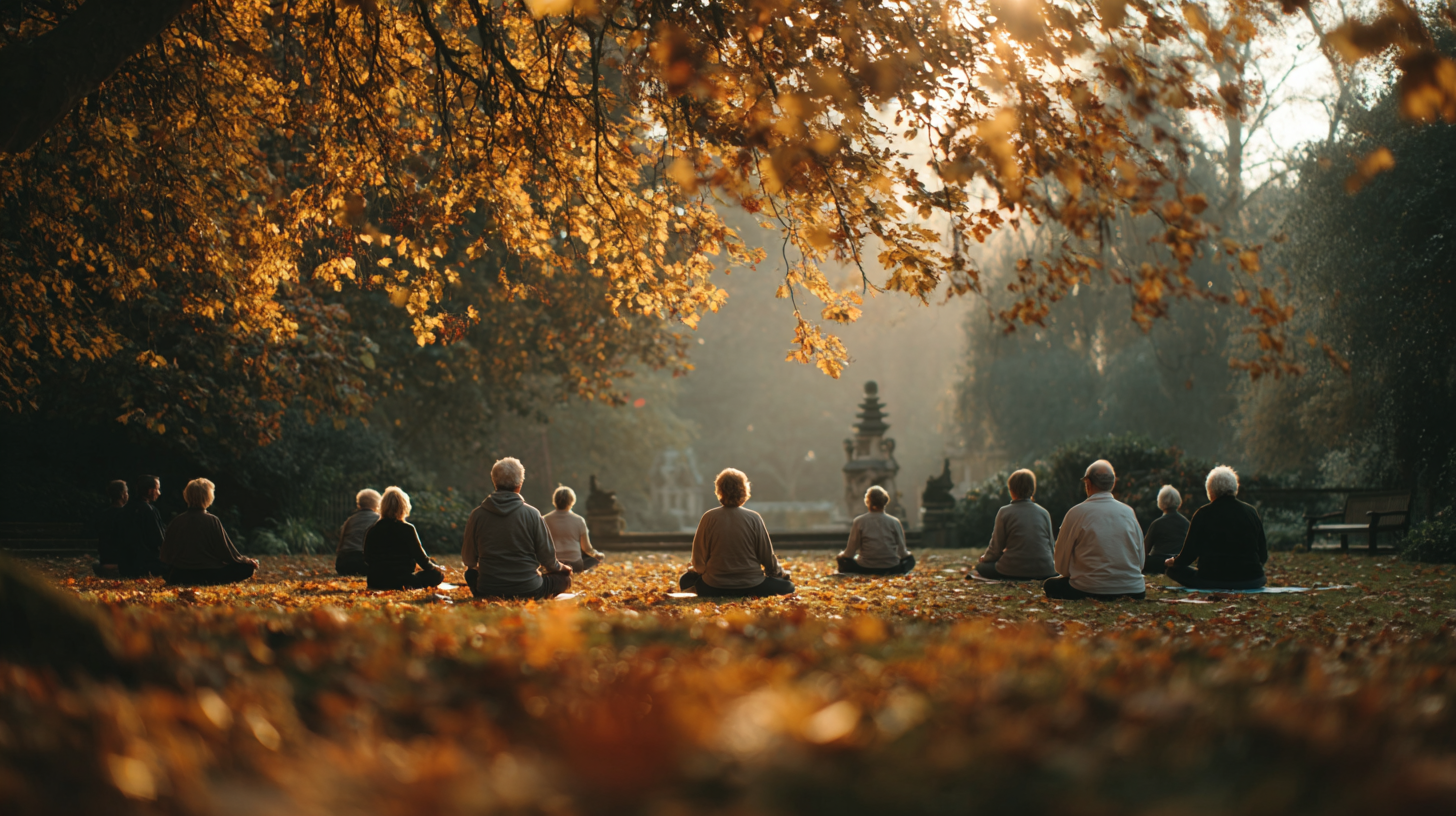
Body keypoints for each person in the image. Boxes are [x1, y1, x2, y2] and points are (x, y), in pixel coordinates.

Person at [461, 457, 573, 600]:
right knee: (564, 579)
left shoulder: (477, 515)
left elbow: (468, 560)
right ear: (519, 485)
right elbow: (549, 561)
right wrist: (563, 568)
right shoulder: (533, 514)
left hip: (488, 589)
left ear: (494, 482)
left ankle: (486, 593)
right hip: (529, 590)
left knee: (470, 574)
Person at [680, 468, 794, 597]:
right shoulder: (754, 518)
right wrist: (781, 576)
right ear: (744, 491)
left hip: (714, 587)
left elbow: (698, 559)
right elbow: (768, 558)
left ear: (719, 491)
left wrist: (701, 572)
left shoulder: (708, 517)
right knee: (788, 586)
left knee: (685, 580)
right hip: (752, 585)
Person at [1043, 460, 1146, 601]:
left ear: (1088, 483)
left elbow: (1060, 566)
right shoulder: (1129, 512)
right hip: (1134, 591)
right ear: (1113, 484)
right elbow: (1140, 562)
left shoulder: (1076, 513)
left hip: (1088, 590)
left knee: (1050, 585)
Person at [1164, 466, 1269, 590]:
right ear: (1235, 487)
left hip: (1211, 580)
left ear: (1210, 490)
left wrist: (1174, 562)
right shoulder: (1251, 512)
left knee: (1171, 570)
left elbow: (1188, 555)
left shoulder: (1202, 514)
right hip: (1252, 580)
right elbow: (1263, 555)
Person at [160, 478, 258, 586]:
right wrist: (246, 561)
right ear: (208, 497)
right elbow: (227, 554)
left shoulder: (177, 521)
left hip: (180, 576)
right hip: (209, 575)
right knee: (247, 568)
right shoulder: (212, 520)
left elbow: (165, 555)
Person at [973, 469, 1056, 581]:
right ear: (1033, 490)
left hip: (1013, 570)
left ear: (1011, 490)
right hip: (1045, 570)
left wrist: (985, 558)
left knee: (981, 567)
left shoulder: (1004, 512)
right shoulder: (1044, 513)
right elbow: (1051, 546)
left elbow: (995, 550)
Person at [364, 486, 445, 590]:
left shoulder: (373, 529)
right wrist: (435, 568)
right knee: (437, 575)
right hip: (402, 581)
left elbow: (367, 558)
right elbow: (422, 559)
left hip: (376, 581)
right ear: (404, 507)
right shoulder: (408, 529)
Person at [837, 485, 914, 575]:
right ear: (885, 502)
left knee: (842, 560)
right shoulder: (894, 522)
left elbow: (850, 552)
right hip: (891, 567)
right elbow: (902, 552)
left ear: (867, 502)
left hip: (865, 567)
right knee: (910, 560)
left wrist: (841, 555)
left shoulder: (859, 521)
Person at [544, 486, 606, 573]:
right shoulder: (579, 520)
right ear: (572, 501)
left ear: (554, 501)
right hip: (575, 565)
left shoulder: (544, 519)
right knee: (596, 557)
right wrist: (597, 554)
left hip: (553, 564)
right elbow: (587, 549)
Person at [120, 474, 168, 578]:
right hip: (147, 564)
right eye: (157, 489)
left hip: (126, 564)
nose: (159, 493)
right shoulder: (150, 510)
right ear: (150, 491)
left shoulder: (126, 509)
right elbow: (159, 540)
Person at [1143, 485, 1190, 575]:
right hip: (1178, 562)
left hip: (1159, 563)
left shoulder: (1157, 523)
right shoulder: (1186, 523)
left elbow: (1144, 550)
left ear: (1160, 502)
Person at [336, 488, 381, 576]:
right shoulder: (378, 519)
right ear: (377, 504)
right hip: (365, 563)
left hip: (344, 564)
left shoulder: (350, 520)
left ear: (359, 504)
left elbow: (340, 543)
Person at [92, 480, 131, 578]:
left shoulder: (102, 515)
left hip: (105, 559)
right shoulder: (128, 515)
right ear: (123, 495)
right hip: (122, 561)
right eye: (126, 492)